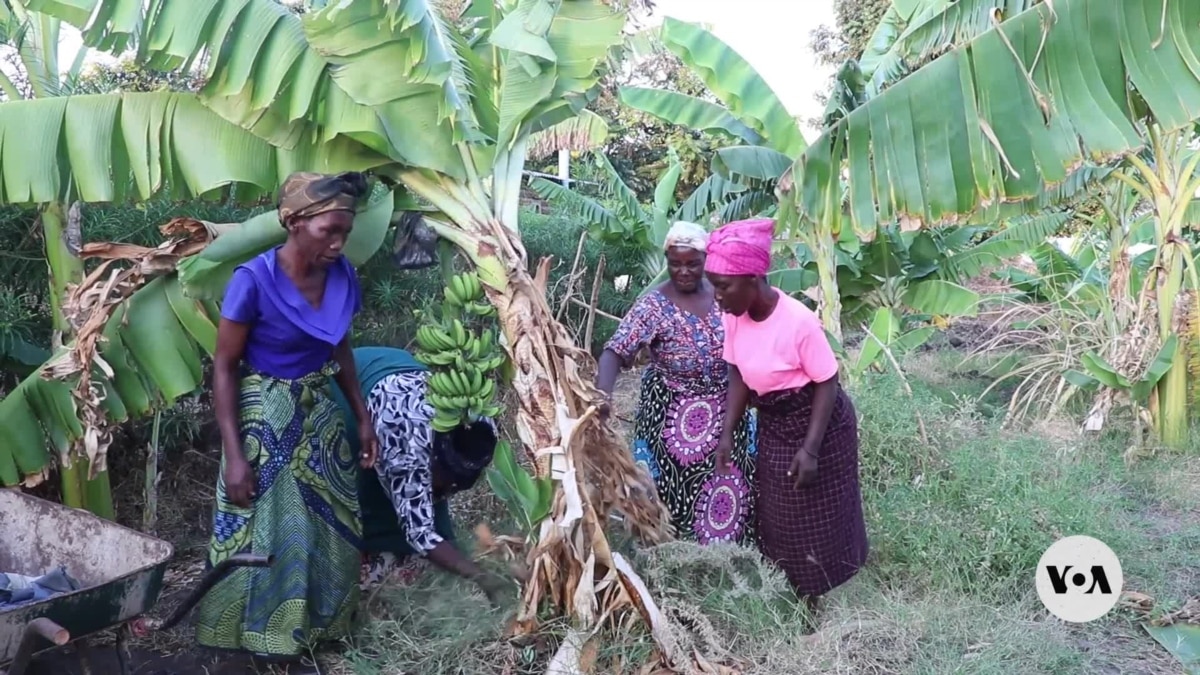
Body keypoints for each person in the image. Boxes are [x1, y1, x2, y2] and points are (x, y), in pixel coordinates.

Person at [196, 171, 380, 663]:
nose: (339, 244)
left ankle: (322, 628)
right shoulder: (252, 281)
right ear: (295, 223)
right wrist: (235, 455)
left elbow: (340, 347)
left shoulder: (342, 275)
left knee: (334, 523)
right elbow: (224, 366)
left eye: (346, 232)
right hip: (265, 417)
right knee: (272, 527)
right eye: (329, 232)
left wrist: (362, 416)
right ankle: (260, 638)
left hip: (319, 414)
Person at [705, 217, 868, 620]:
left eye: (723, 287)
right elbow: (738, 374)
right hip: (776, 421)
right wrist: (728, 433)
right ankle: (793, 587)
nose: (717, 297)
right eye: (714, 286)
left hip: (819, 422)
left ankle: (817, 595)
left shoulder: (797, 321)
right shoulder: (733, 318)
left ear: (753, 278)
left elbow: (827, 382)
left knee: (823, 512)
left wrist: (811, 450)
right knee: (780, 511)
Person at [595, 221, 757, 546]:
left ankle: (727, 558)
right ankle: (673, 557)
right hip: (671, 418)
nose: (683, 271)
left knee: (732, 485)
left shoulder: (723, 295)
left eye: (692, 263)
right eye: (675, 263)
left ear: (705, 261)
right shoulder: (653, 305)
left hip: (727, 410)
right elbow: (615, 351)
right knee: (671, 492)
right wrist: (602, 396)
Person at [326, 346, 509, 603]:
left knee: (419, 503)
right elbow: (419, 533)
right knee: (366, 489)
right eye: (447, 485)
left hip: (404, 385)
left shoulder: (477, 424)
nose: (447, 493)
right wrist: (484, 579)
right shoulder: (402, 445)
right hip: (351, 388)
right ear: (430, 459)